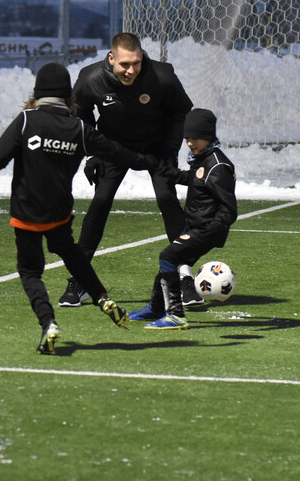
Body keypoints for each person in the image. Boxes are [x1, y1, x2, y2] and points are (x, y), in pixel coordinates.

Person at [0, 62, 158, 354]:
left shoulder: (26, 120)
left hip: (27, 213)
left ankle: (49, 322)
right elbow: (115, 151)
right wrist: (146, 161)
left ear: (38, 93)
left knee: (30, 272)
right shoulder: (78, 128)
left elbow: (0, 153)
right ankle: (101, 297)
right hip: (59, 212)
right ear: (67, 96)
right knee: (72, 254)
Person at [58, 32, 196, 308]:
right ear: (111, 58)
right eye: (124, 64)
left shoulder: (163, 76)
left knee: (167, 199)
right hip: (112, 147)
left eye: (135, 63)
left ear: (142, 57)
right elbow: (81, 117)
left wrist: (169, 152)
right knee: (100, 201)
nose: (130, 70)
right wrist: (94, 154)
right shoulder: (90, 79)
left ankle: (184, 277)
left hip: (156, 148)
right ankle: (80, 280)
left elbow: (182, 111)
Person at [130, 108, 238, 330]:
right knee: (168, 262)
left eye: (195, 138)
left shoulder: (218, 165)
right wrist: (174, 175)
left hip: (206, 230)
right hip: (197, 226)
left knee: (168, 257)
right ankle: (156, 308)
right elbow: (198, 181)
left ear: (208, 136)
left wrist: (209, 231)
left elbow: (229, 209)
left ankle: (176, 314)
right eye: (187, 138)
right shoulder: (203, 158)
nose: (190, 143)